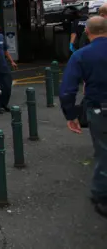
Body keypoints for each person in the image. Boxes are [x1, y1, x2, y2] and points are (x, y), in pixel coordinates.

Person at [59, 16, 107, 218]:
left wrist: (71, 115)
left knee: (103, 151)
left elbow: (67, 90)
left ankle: (101, 195)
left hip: (99, 110)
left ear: (87, 32)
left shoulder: (81, 55)